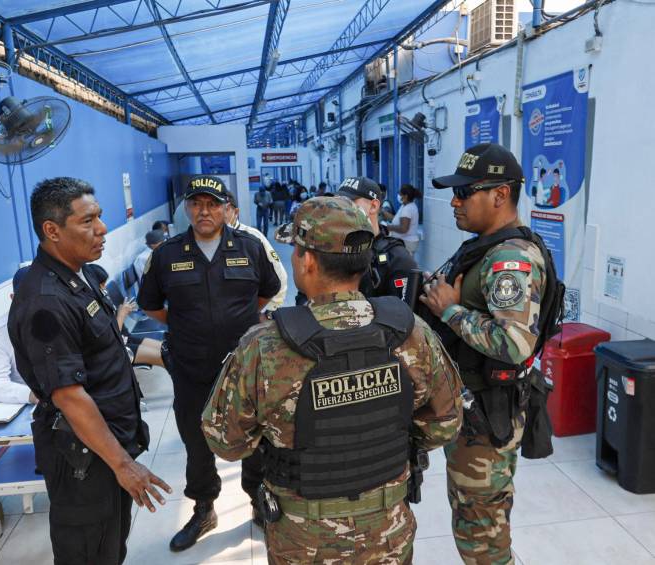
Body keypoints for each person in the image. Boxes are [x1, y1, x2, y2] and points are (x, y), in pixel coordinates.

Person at [202, 196, 463, 564]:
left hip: (303, 542)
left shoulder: (264, 347)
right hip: (389, 534)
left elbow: (226, 442)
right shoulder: (410, 332)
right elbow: (445, 425)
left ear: (307, 260)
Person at [8, 177, 171, 565]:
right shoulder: (46, 302)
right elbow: (69, 395)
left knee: (110, 548)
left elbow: (106, 347)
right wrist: (123, 465)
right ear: (52, 230)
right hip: (85, 461)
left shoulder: (80, 279)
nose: (102, 229)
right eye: (88, 221)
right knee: (89, 554)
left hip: (105, 447)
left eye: (99, 217)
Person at [420, 143, 562, 564]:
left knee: (481, 533)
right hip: (471, 411)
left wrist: (449, 309)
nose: (455, 201)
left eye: (465, 193)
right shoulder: (485, 246)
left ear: (500, 195)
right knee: (477, 517)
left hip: (486, 415)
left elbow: (515, 343)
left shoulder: (511, 258)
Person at [137, 175, 281, 552]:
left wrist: (240, 322)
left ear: (226, 208)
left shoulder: (250, 247)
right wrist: (188, 326)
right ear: (187, 208)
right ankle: (203, 509)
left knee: (255, 438)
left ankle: (257, 502)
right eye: (196, 203)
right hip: (191, 369)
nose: (204, 211)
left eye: (212, 203)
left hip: (245, 369)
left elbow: (267, 293)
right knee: (197, 442)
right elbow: (151, 305)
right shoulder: (166, 254)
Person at [336, 176, 418, 302]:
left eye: (348, 203)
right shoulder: (332, 249)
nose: (341, 211)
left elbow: (402, 315)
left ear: (373, 206)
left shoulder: (398, 259)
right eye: (338, 204)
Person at [85, 263, 165, 368]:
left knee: (165, 349)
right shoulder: (91, 308)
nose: (104, 288)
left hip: (125, 338)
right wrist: (122, 314)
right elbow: (109, 339)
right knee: (163, 357)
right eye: (101, 285)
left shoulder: (104, 297)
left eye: (104, 284)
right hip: (115, 349)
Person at [0, 266, 37, 405]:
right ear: (13, 299)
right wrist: (31, 395)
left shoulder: (70, 318)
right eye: (27, 299)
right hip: (32, 406)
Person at [225, 190, 288, 316]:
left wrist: (267, 312)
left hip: (248, 318)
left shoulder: (254, 238)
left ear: (235, 212)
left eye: (224, 209)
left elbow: (279, 276)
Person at [389, 184, 421, 256]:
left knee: (403, 266)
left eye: (400, 194)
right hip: (405, 242)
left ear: (405, 196)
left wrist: (389, 228)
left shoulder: (408, 209)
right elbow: (397, 220)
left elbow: (404, 228)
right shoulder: (406, 206)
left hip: (406, 243)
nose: (399, 196)